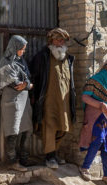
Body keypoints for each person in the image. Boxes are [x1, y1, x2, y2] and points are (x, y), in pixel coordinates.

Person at [30, 28, 76, 169]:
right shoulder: (42, 57)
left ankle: (54, 153)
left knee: (63, 128)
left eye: (62, 40)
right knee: (49, 127)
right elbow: (33, 77)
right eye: (57, 40)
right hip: (48, 101)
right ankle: (50, 157)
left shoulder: (68, 58)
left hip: (64, 102)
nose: (60, 42)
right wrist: (35, 98)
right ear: (51, 41)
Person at [79, 60, 107, 185]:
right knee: (98, 140)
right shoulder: (94, 81)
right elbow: (85, 97)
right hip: (94, 116)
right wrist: (99, 105)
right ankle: (85, 168)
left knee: (106, 145)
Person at [0, 35, 33, 172]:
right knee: (13, 131)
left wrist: (27, 84)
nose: (23, 51)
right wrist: (27, 84)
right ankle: (12, 161)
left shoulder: (22, 62)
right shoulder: (5, 63)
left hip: (24, 101)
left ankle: (24, 160)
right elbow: (16, 84)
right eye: (21, 49)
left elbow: (27, 81)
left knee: (27, 129)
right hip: (12, 102)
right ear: (14, 47)